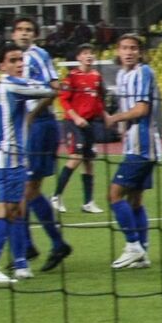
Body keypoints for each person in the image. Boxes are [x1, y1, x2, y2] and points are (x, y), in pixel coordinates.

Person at [0, 44, 58, 285]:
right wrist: (53, 79)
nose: (20, 64)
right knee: (7, 210)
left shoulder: (2, 87)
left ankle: (21, 263)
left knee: (18, 209)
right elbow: (49, 90)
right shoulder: (12, 85)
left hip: (6, 158)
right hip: (8, 159)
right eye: (13, 60)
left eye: (21, 59)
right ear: (2, 66)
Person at [10, 16, 73, 272]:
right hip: (31, 127)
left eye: (28, 30)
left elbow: (55, 88)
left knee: (27, 188)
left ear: (35, 35)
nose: (24, 33)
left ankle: (52, 244)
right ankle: (30, 245)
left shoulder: (37, 55)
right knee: (25, 188)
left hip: (40, 125)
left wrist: (32, 115)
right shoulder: (17, 59)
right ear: (13, 34)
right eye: (20, 30)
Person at [105, 34, 161, 270]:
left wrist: (115, 118)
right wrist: (121, 128)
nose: (128, 52)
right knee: (135, 200)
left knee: (114, 195)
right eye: (124, 48)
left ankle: (133, 246)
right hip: (135, 145)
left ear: (140, 52)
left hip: (143, 146)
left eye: (133, 48)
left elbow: (141, 109)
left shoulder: (143, 72)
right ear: (118, 51)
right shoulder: (122, 75)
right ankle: (143, 253)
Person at [52, 44, 107, 214]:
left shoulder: (97, 76)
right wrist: (76, 117)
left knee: (89, 161)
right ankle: (56, 196)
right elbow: (63, 99)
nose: (89, 56)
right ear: (79, 57)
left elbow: (98, 101)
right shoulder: (72, 77)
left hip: (89, 123)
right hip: (72, 122)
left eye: (91, 53)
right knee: (76, 157)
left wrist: (105, 116)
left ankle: (88, 202)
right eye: (85, 53)